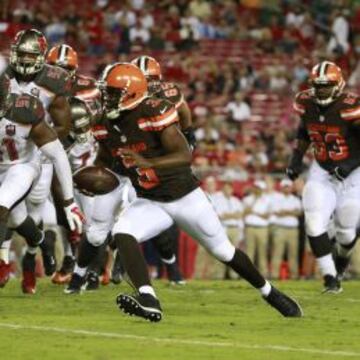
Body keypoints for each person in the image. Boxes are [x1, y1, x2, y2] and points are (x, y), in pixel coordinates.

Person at [93, 62, 302, 322]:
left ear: (131, 93)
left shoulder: (154, 112)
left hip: (185, 197)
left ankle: (270, 292)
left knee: (224, 251)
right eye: (106, 91)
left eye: (112, 92)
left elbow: (184, 156)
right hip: (150, 200)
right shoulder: (103, 123)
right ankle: (149, 299)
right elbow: (104, 161)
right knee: (123, 232)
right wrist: (94, 177)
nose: (106, 97)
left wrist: (149, 162)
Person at [1, 29, 72, 286]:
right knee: (15, 216)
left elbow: (64, 125)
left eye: (32, 56)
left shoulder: (53, 81)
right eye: (22, 55)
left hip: (37, 151)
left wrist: (35, 133)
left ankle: (29, 259)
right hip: (7, 146)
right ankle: (21, 253)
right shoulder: (4, 76)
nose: (26, 61)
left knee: (35, 207)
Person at [287, 60, 360, 293]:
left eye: (326, 86)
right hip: (322, 169)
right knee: (314, 221)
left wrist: (349, 165)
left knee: (346, 232)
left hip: (354, 174)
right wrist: (296, 157)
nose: (320, 91)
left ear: (338, 85)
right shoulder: (305, 102)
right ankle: (330, 278)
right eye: (317, 86)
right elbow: (304, 129)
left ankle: (340, 266)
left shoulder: (351, 106)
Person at [46, 44, 102, 285]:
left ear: (73, 69)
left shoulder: (89, 87)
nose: (59, 72)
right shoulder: (38, 84)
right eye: (56, 67)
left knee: (89, 210)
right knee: (62, 208)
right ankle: (70, 259)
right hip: (53, 148)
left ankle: (94, 266)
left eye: (65, 68)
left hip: (83, 152)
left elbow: (101, 115)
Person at [271, 179, 302, 279]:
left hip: (293, 229)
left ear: (291, 187)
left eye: (288, 186)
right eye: (285, 186)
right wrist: (291, 212)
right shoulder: (276, 198)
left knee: (293, 253)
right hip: (280, 228)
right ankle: (274, 275)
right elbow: (277, 213)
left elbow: (299, 213)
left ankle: (294, 275)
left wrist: (285, 212)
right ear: (281, 187)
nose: (287, 188)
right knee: (277, 252)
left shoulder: (295, 199)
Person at [243, 180, 272, 277]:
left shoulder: (268, 199)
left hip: (262, 228)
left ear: (262, 189)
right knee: (249, 252)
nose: (256, 190)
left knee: (262, 252)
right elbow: (244, 213)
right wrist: (254, 203)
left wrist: (254, 212)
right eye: (255, 187)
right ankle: (248, 273)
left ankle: (264, 274)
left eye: (258, 188)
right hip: (250, 227)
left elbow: (267, 215)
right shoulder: (247, 199)